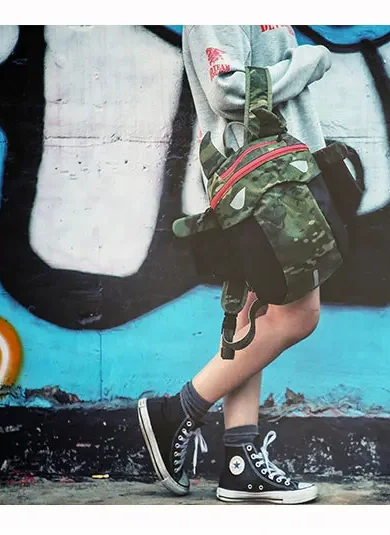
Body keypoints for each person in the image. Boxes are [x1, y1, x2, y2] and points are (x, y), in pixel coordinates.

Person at [137, 25, 333, 505]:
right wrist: (308, 63)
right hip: (262, 182)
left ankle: (239, 462)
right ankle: (176, 413)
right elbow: (227, 90)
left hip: (271, 174)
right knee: (298, 315)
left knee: (252, 317)